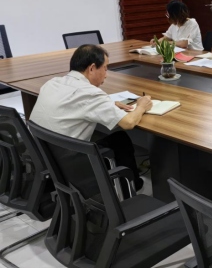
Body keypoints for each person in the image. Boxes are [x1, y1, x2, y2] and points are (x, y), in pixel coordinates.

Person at [30, 44, 153, 191]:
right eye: (105, 68)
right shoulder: (90, 93)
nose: (106, 74)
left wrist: (107, 104)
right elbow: (128, 123)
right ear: (92, 68)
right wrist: (142, 106)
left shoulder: (52, 83)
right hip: (70, 165)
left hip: (45, 157)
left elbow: (74, 103)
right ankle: (131, 189)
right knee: (120, 139)